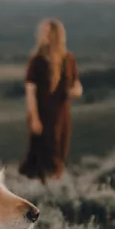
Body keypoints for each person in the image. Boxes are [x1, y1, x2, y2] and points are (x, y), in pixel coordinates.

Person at [19, 18, 83, 183]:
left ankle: (52, 185)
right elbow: (30, 91)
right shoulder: (37, 61)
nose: (44, 36)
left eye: (48, 32)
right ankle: (39, 188)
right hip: (42, 114)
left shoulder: (69, 59)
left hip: (61, 115)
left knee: (59, 152)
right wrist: (33, 117)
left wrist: (74, 91)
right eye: (44, 32)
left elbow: (77, 85)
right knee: (41, 154)